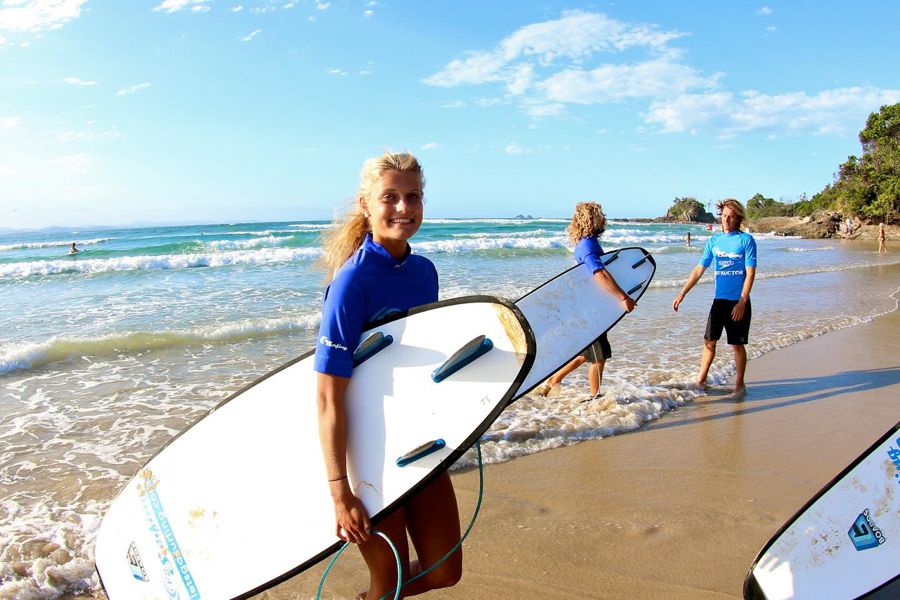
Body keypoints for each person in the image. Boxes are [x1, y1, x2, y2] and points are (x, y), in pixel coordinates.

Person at [314, 151, 461, 599]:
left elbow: (418, 364)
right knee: (390, 582)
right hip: (370, 451)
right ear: (366, 204)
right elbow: (327, 396)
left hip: (419, 440)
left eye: (413, 196)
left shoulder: (424, 272)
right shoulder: (350, 283)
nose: (403, 208)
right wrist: (341, 492)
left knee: (443, 571)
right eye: (390, 197)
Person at [535, 202, 636, 400]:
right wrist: (623, 296)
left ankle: (554, 380)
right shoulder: (588, 245)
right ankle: (594, 398)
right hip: (589, 312)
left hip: (590, 307)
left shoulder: (587, 242)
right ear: (590, 219)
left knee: (587, 353)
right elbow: (599, 273)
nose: (603, 218)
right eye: (599, 215)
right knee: (599, 356)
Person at [672, 198, 757, 397]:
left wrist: (742, 302)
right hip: (719, 301)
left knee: (737, 345)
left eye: (731, 217)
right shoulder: (714, 241)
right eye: (724, 216)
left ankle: (739, 385)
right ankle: (701, 381)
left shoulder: (746, 240)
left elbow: (751, 273)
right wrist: (682, 292)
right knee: (709, 341)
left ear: (738, 219)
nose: (726, 220)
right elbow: (699, 269)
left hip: (738, 301)